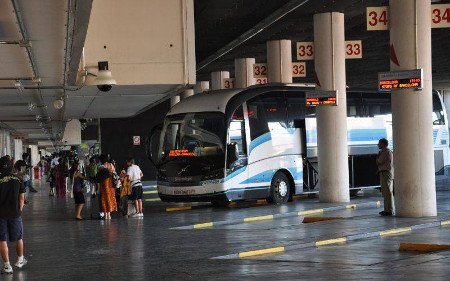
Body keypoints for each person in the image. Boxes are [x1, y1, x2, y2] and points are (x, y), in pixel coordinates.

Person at [0, 156, 27, 274]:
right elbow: (22, 198)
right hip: (15, 213)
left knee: (2, 239)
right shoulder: (18, 179)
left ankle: (7, 266)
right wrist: (19, 210)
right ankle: (20, 259)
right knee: (19, 237)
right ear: (11, 165)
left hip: (0, 214)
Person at [376, 138, 394, 216]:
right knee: (386, 192)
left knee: (387, 192)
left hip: (386, 173)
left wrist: (377, 156)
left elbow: (379, 162)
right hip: (385, 173)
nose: (378, 144)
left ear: (383, 144)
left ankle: (389, 210)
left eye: (379, 143)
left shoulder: (385, 152)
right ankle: (387, 209)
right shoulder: (387, 152)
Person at [97, 155, 118, 220]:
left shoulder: (100, 167)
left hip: (103, 185)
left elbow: (98, 176)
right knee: (110, 198)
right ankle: (109, 215)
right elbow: (115, 174)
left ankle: (106, 215)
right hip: (110, 185)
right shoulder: (111, 165)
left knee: (104, 199)